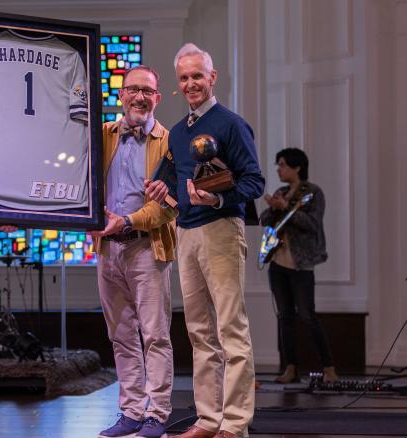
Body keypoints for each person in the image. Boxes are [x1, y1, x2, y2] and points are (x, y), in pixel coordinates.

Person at [146, 43, 264, 438]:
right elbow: (168, 177)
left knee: (231, 328)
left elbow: (254, 182)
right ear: (178, 86)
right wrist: (161, 190)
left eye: (198, 75)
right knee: (199, 332)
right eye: (184, 78)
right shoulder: (179, 133)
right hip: (186, 231)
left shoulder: (231, 124)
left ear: (212, 78)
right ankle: (209, 419)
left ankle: (234, 424)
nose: (192, 83)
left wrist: (217, 197)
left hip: (221, 231)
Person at [92, 65, 178, 438]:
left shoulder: (169, 141)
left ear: (157, 98)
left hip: (146, 248)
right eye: (133, 90)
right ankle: (130, 411)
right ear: (121, 96)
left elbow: (170, 205)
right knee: (122, 335)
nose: (139, 97)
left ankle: (156, 414)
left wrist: (126, 221)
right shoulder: (103, 134)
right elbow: (80, 181)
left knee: (155, 334)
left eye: (147, 90)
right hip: (107, 249)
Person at [259, 147, 336, 384]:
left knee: (307, 315)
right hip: (278, 262)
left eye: (282, 164)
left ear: (297, 167)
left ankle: (329, 368)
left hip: (301, 264)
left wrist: (286, 209)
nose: (279, 169)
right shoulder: (282, 192)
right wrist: (273, 207)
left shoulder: (312, 193)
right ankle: (290, 368)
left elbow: (313, 224)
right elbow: (264, 222)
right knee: (284, 316)